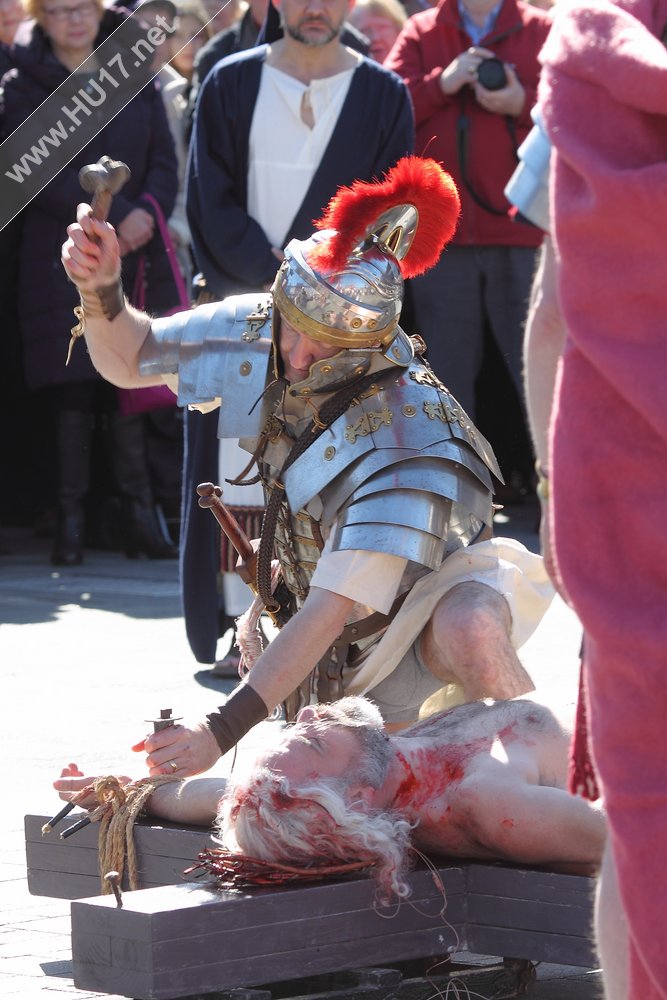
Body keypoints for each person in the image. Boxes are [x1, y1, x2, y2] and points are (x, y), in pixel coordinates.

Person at [61, 155, 554, 780]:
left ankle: (540, 768)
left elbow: (334, 607)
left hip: (408, 631)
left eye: (322, 345)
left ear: (370, 346)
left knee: (473, 624)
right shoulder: (268, 327)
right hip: (306, 635)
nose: (295, 356)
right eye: (292, 329)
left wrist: (219, 730)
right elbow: (132, 356)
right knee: (323, 797)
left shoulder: (411, 430)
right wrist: (101, 288)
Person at [182, 0, 411, 669]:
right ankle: (239, 631)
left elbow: (391, 218)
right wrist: (279, 280)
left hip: (339, 326)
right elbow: (208, 200)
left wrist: (328, 300)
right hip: (247, 308)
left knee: (327, 472)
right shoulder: (228, 80)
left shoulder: (382, 92)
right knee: (240, 474)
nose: (316, 7)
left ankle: (317, 630)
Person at [520, 1, 667, 997]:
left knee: (643, 803)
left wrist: (551, 489)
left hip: (630, 507)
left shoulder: (594, 61)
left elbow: (547, 320)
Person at [54, 693, 606, 901]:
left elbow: (207, 795)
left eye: (302, 728)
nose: (311, 711)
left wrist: (122, 794)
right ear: (360, 795)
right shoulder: (493, 805)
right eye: (317, 736)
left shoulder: (316, 794)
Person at [2, 0, 180, 564]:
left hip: (135, 252)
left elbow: (164, 157)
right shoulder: (20, 80)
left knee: (127, 377)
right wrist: (112, 216)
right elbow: (32, 168)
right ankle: (71, 522)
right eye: (57, 10)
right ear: (40, 17)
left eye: (82, 6)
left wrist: (145, 212)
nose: (73, 20)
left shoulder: (131, 73)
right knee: (72, 387)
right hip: (59, 253)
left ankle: (137, 513)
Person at [384, 0, 551, 496]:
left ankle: (561, 504)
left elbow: (582, 112)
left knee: (542, 373)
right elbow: (388, 106)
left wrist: (522, 102)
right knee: (445, 381)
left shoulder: (541, 30)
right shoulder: (421, 32)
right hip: (443, 242)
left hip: (525, 234)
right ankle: (454, 509)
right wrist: (442, 82)